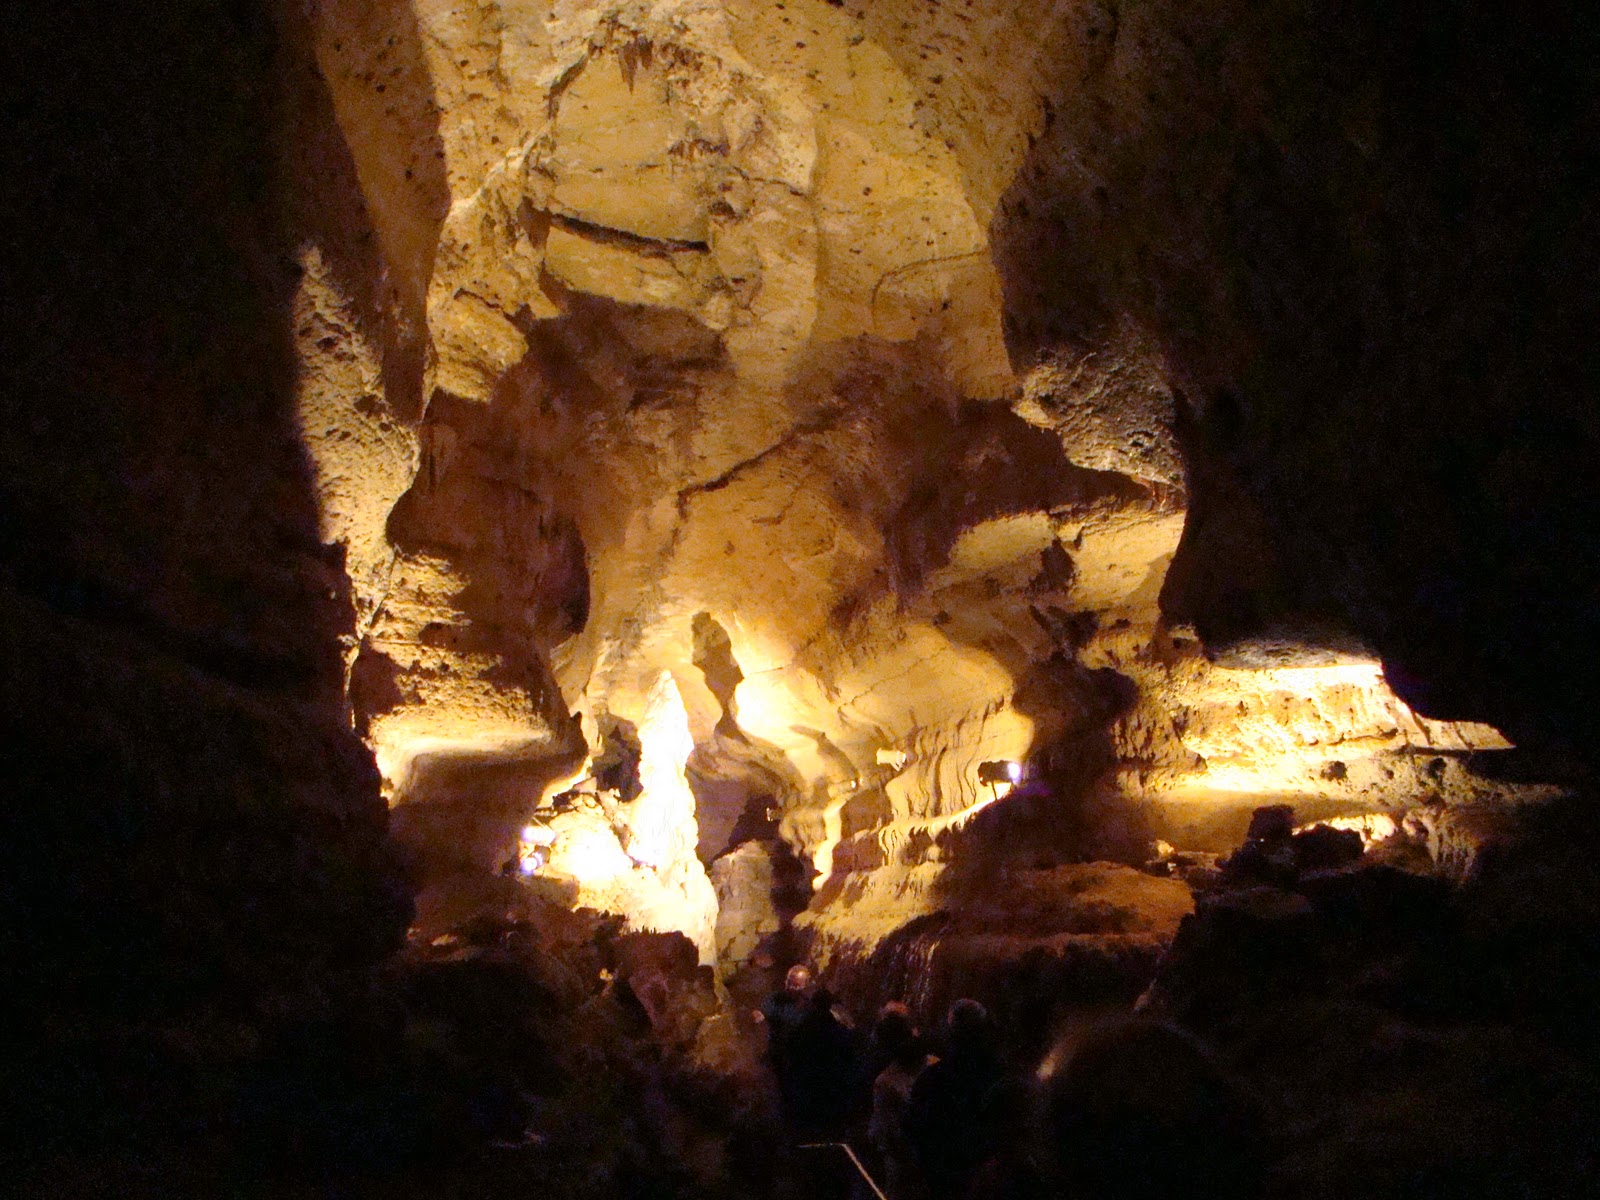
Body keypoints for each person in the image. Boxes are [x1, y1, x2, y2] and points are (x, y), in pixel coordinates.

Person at [907, 999, 1004, 1199]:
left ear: (950, 1030)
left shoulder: (932, 1078)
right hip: (984, 1180)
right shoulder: (1000, 1076)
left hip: (942, 1180)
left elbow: (915, 1131)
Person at [867, 1004, 930, 1199]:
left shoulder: (885, 1080)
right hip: (926, 1155)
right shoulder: (934, 1069)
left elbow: (886, 1128)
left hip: (897, 1156)